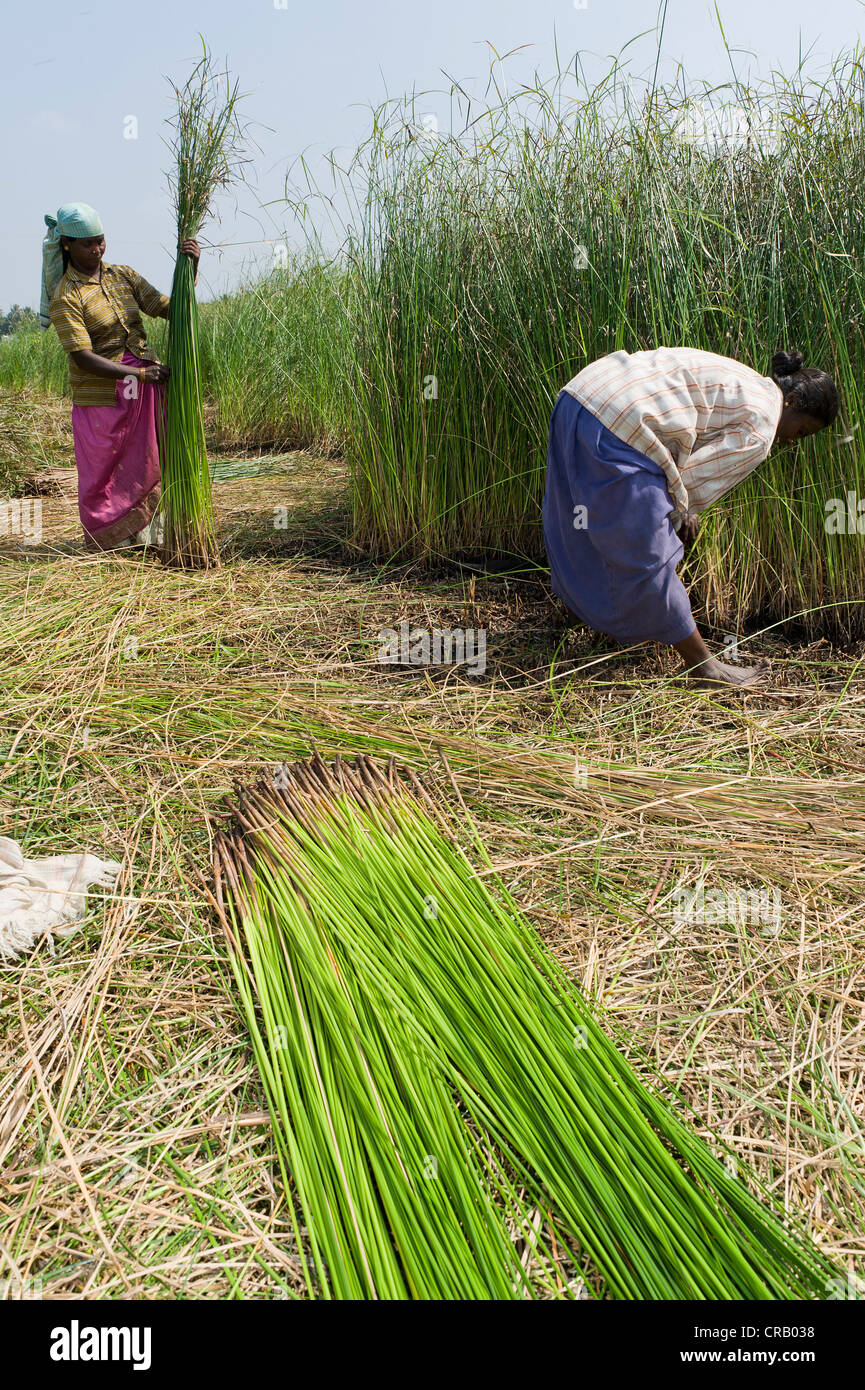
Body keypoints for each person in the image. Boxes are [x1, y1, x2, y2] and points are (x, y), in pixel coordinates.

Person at [542, 346, 838, 686]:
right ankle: (705, 666)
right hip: (621, 425)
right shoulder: (762, 428)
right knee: (649, 555)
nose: (790, 443)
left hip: (581, 396)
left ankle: (577, 616)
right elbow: (692, 482)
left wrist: (681, 504)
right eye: (800, 432)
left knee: (580, 523)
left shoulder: (747, 380)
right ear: (792, 404)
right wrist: (683, 512)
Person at [42, 202, 200, 551]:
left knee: (147, 459)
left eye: (101, 241)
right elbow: (83, 357)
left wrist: (191, 266)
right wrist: (139, 376)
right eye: (88, 244)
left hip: (144, 386)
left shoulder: (122, 276)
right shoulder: (67, 296)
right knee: (106, 471)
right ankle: (112, 543)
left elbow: (168, 308)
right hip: (103, 396)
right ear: (66, 244)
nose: (97, 249)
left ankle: (149, 538)